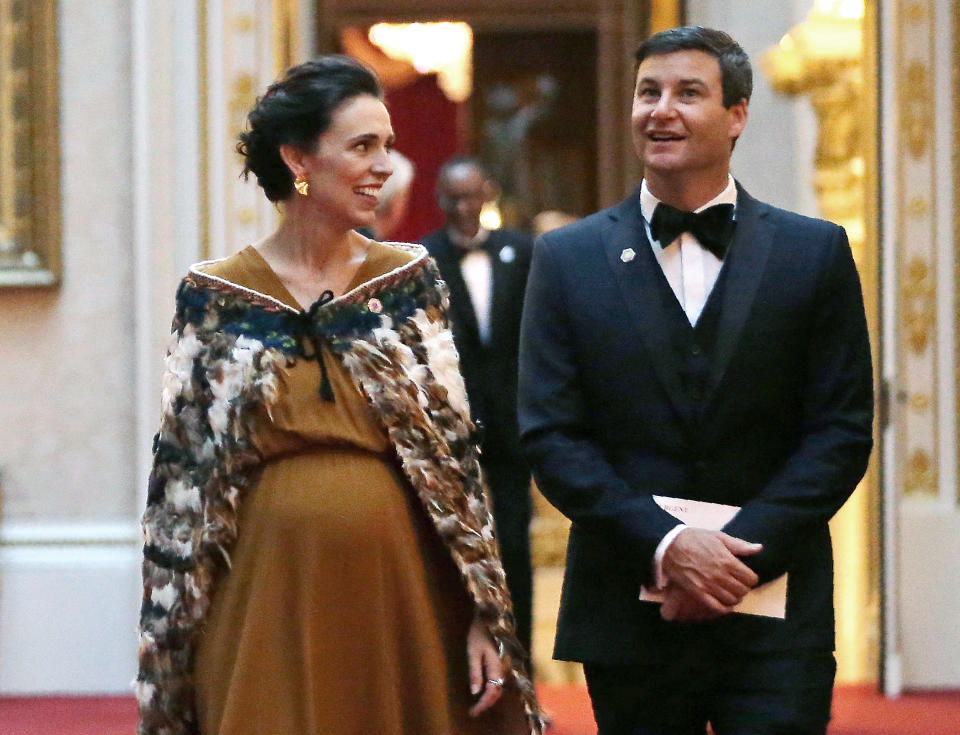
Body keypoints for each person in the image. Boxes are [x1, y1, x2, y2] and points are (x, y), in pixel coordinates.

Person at [135, 55, 543, 735]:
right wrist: (177, 643)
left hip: (400, 596)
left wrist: (483, 610)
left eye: (387, 144)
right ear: (298, 157)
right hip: (261, 597)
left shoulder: (409, 279)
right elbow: (182, 487)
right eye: (363, 146)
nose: (385, 165)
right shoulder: (213, 295)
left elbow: (454, 465)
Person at [518, 26, 873, 735]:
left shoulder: (815, 253)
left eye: (688, 92)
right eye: (648, 92)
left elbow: (839, 429)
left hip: (776, 610)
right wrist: (669, 548)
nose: (661, 110)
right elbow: (552, 433)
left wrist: (734, 558)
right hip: (629, 604)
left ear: (737, 115)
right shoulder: (567, 258)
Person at [422, 157, 535, 659]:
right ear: (441, 199)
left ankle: (521, 664)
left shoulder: (521, 250)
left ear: (488, 192)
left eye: (472, 195)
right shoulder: (422, 259)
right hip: (452, 424)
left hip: (512, 422)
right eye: (454, 198)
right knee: (455, 547)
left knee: (515, 544)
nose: (464, 207)